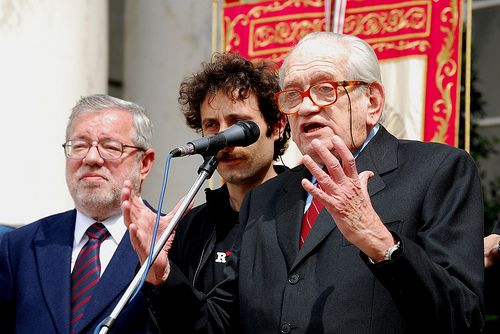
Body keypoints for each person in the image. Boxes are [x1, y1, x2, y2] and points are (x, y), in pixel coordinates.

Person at [126, 32, 485, 333]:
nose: (307, 107)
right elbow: (219, 325)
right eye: (293, 96)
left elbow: (463, 319)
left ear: (372, 102)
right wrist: (164, 278)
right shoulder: (264, 200)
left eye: (325, 89)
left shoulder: (438, 170)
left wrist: (380, 242)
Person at [122, 52, 289, 295]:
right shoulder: (189, 228)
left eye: (239, 124)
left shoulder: (303, 211)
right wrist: (161, 275)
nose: (224, 138)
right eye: (212, 125)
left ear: (277, 127)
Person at [0, 94, 156, 334]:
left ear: (144, 163)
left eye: (111, 147)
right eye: (80, 146)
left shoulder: (173, 240)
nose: (91, 158)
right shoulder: (18, 247)